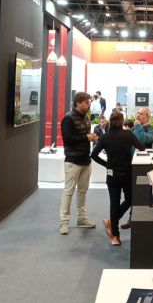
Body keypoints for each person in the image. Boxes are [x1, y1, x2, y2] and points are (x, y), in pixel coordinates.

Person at [90, 112, 146, 246]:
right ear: (122, 121)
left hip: (112, 175)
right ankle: (112, 221)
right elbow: (142, 147)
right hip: (127, 173)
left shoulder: (105, 137)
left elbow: (93, 155)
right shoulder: (128, 134)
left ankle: (115, 236)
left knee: (114, 203)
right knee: (130, 199)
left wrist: (107, 164)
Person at [59, 92, 99, 235]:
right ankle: (64, 222)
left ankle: (82, 219)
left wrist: (91, 137)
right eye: (87, 103)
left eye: (89, 102)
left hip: (85, 160)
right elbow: (67, 139)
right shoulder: (68, 118)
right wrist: (86, 137)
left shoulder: (86, 117)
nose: (89, 105)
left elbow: (83, 136)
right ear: (78, 103)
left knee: (82, 192)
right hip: (73, 160)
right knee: (68, 192)